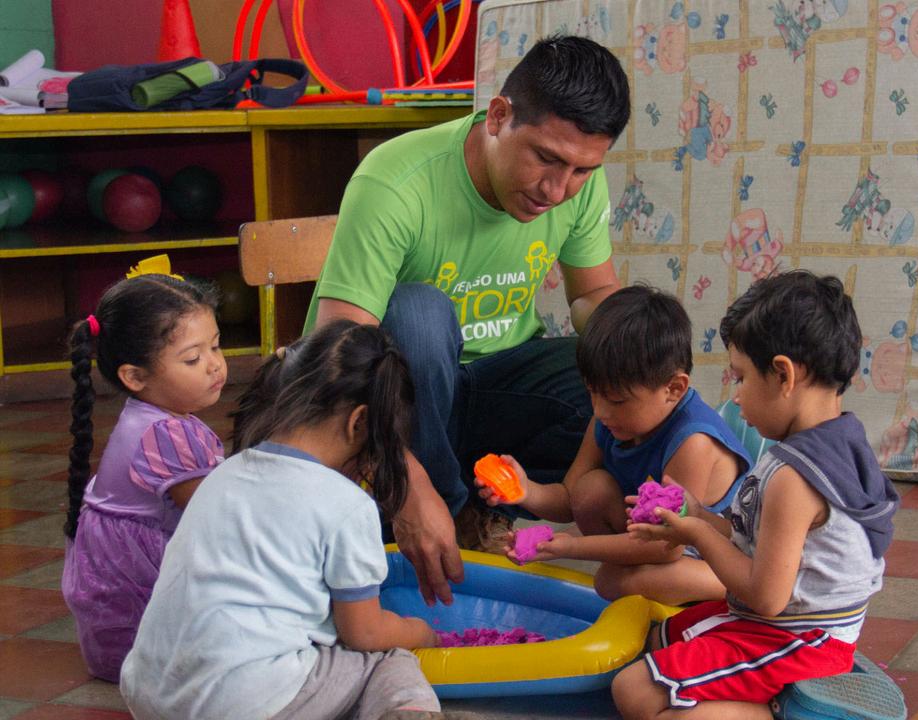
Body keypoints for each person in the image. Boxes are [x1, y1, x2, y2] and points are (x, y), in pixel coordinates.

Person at [305, 34, 631, 606]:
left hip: (486, 395)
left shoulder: (574, 183)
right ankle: (429, 506)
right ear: (498, 116)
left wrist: (641, 348)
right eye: (546, 158)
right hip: (395, 403)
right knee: (419, 313)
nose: (557, 190)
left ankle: (482, 504)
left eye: (582, 170)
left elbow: (592, 295)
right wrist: (409, 485)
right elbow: (340, 352)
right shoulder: (396, 179)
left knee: (620, 374)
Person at [612, 271, 900, 720]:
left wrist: (695, 535)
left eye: (741, 377)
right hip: (788, 625)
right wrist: (697, 514)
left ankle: (785, 710)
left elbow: (766, 596)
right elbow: (753, 539)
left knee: (633, 691)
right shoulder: (836, 440)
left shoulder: (794, 477)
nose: (736, 397)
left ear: (783, 374)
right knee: (657, 639)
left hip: (798, 640)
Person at [120, 320, 440, 720]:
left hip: (151, 693)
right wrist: (420, 631)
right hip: (242, 701)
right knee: (388, 661)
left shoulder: (223, 473)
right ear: (359, 423)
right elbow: (365, 632)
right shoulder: (347, 504)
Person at [478, 285, 752, 605]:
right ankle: (633, 569)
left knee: (610, 581)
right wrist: (526, 491)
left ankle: (738, 588)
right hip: (657, 537)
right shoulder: (609, 419)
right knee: (590, 490)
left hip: (715, 552)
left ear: (674, 389)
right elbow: (569, 498)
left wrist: (569, 547)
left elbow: (665, 546)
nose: (600, 410)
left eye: (617, 400)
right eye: (592, 393)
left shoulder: (693, 442)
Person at [60, 255, 226, 683]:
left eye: (216, 345)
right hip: (141, 649)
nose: (214, 364)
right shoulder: (165, 435)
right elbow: (218, 516)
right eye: (193, 358)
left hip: (120, 641)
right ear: (134, 376)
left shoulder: (155, 418)